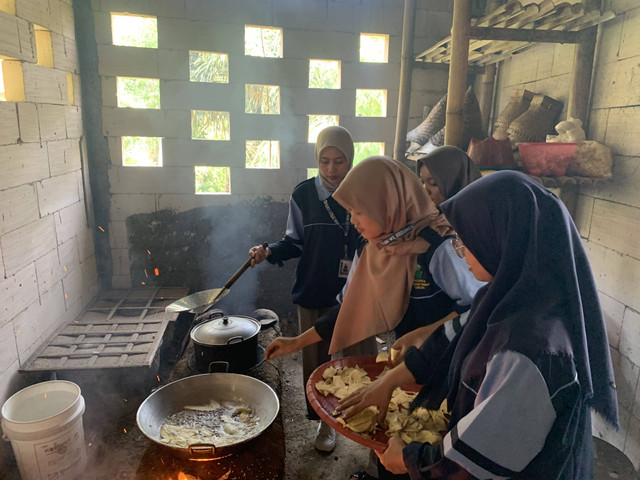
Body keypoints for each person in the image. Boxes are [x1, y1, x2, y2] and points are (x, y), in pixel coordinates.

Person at [338, 171, 619, 479]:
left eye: (464, 240)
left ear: (500, 239)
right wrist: (388, 381)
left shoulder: (530, 349)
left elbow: (478, 460)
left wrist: (410, 461)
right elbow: (449, 342)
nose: (460, 250)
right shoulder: (509, 297)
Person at [265, 156, 484, 476]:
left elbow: (479, 307)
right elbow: (350, 307)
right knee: (389, 438)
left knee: (430, 448)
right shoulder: (375, 246)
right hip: (410, 365)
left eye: (359, 211)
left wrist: (427, 332)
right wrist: (298, 341)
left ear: (387, 207)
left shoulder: (439, 247)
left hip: (450, 367)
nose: (352, 220)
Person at [248, 125, 362, 453]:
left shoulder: (362, 192)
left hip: (357, 296)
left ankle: (361, 418)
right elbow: (293, 241)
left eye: (339, 161)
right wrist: (269, 251)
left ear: (350, 160)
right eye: (324, 160)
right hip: (314, 290)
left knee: (358, 358)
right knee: (317, 361)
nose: (331, 169)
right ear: (317, 159)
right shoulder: (303, 195)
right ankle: (325, 425)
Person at [415, 146, 482, 208]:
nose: (425, 190)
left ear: (456, 183)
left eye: (434, 183)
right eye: (422, 182)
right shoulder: (422, 216)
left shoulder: (474, 218)